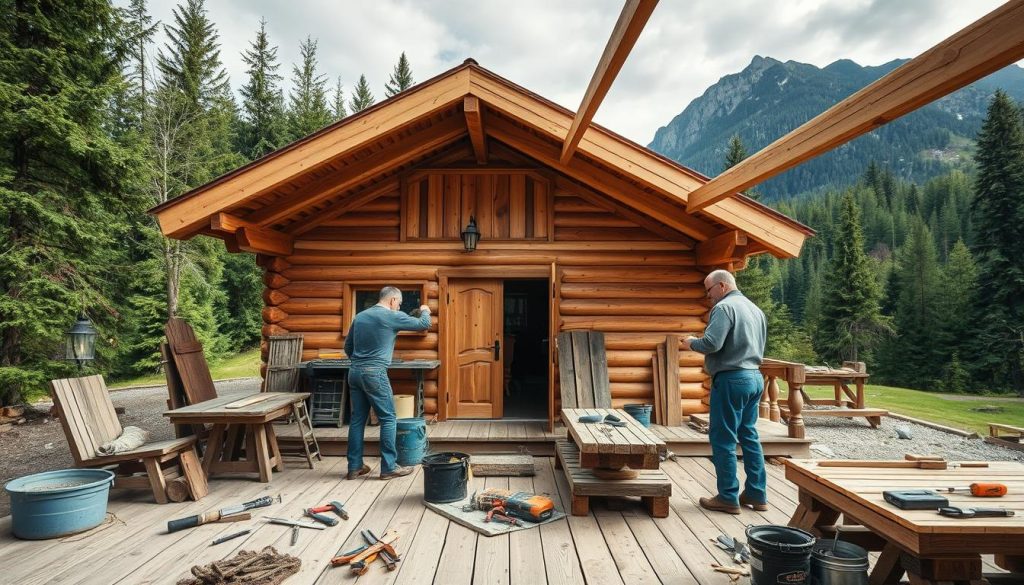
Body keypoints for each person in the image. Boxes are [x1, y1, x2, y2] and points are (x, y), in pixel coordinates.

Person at [681, 269, 768, 514]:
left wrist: (691, 342)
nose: (709, 297)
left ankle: (728, 496)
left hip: (731, 380)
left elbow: (712, 343)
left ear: (721, 286)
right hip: (754, 377)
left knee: (723, 438)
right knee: (749, 436)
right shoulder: (755, 310)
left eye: (709, 291)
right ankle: (757, 493)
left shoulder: (724, 308)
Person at [344, 286, 431, 480]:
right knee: (389, 418)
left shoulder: (360, 317)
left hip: (354, 372)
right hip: (374, 373)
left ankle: (354, 467)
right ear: (392, 300)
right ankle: (389, 467)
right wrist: (425, 308)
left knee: (357, 420)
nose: (398, 307)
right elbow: (423, 323)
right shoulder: (391, 316)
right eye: (398, 304)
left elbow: (347, 347)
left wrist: (360, 363)